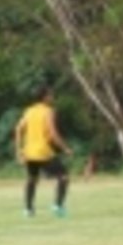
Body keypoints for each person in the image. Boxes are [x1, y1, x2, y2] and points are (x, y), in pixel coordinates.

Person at [15, 87, 72, 218]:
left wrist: (18, 151)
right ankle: (58, 206)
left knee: (32, 179)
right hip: (43, 151)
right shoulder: (48, 111)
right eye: (50, 95)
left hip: (29, 152)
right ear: (45, 97)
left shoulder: (29, 111)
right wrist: (64, 148)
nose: (52, 98)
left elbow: (18, 130)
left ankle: (28, 210)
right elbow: (53, 133)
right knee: (64, 177)